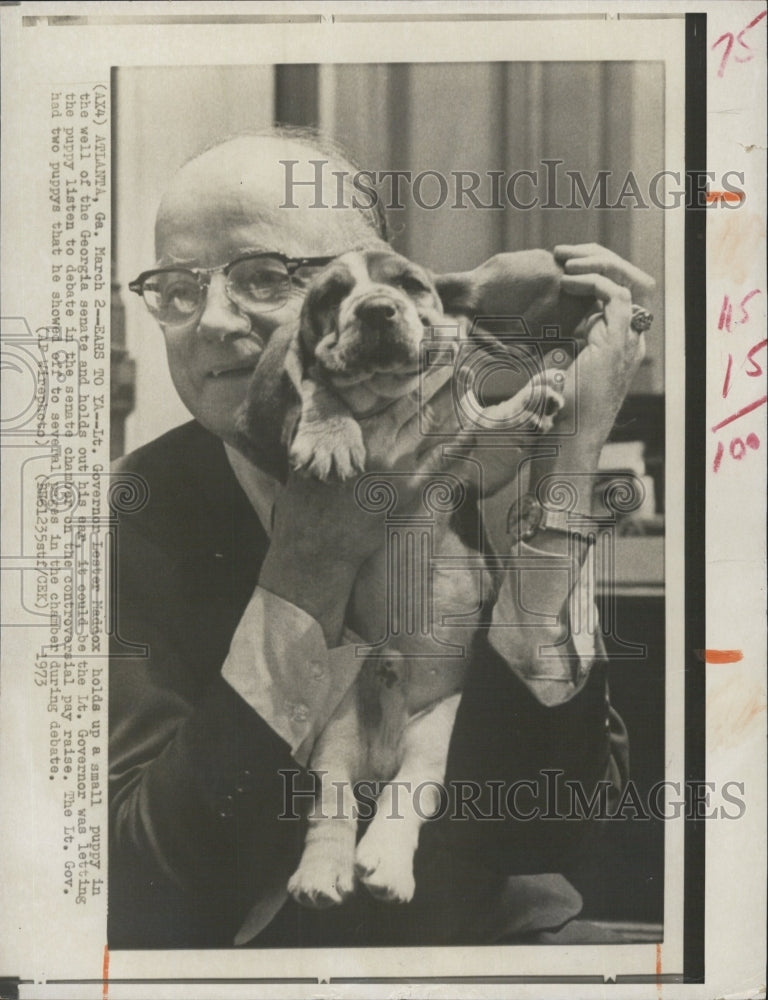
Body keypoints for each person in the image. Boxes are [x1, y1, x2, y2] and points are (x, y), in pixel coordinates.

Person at [108, 130, 654, 949]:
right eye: (177, 290)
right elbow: (141, 862)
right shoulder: (121, 514)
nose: (213, 322)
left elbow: (556, 825)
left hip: (482, 949)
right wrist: (308, 564)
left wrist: (569, 464)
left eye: (262, 277)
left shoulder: (479, 441)